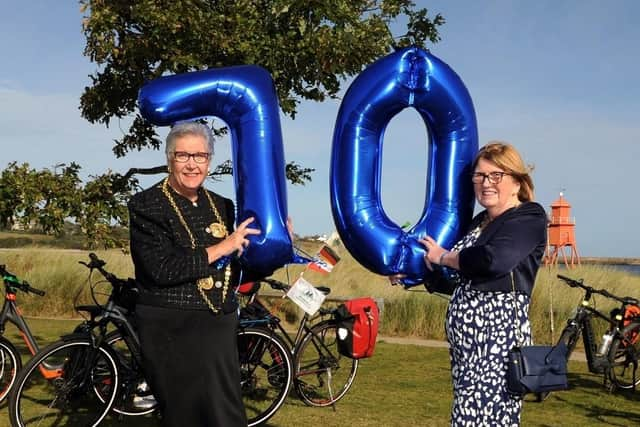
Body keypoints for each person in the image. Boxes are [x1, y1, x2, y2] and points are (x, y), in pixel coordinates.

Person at [395, 142, 547, 426]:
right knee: (467, 415)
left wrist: (444, 256)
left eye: (495, 176)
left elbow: (492, 261)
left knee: (483, 419)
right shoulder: (479, 222)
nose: (485, 183)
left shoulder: (529, 217)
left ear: (517, 182)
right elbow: (461, 278)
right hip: (467, 348)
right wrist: (415, 274)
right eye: (479, 176)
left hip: (496, 345)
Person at [128, 121, 261, 426]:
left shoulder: (223, 206)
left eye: (200, 156)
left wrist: (275, 243)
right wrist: (220, 248)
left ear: (209, 162)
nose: (192, 164)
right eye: (183, 155)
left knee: (226, 415)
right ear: (169, 158)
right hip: (172, 327)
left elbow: (243, 266)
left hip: (218, 326)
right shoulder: (146, 204)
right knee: (185, 415)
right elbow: (160, 268)